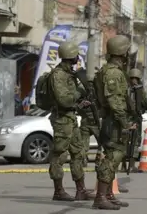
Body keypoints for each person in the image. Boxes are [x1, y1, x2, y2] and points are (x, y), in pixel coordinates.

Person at [47, 41, 96, 202]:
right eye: (76, 55)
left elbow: (72, 101)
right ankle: (58, 191)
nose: (77, 58)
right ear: (71, 56)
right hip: (62, 120)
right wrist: (78, 94)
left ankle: (80, 190)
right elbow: (64, 100)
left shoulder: (69, 74)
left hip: (71, 118)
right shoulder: (58, 75)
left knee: (78, 152)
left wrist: (81, 102)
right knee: (59, 155)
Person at [92, 35, 136, 210]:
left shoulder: (108, 70)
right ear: (122, 52)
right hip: (114, 121)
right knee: (112, 158)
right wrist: (125, 123)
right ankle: (100, 197)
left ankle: (108, 194)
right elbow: (115, 101)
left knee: (115, 157)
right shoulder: (113, 73)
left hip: (113, 119)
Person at [124, 68, 147, 173]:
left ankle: (123, 166)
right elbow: (146, 104)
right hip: (135, 119)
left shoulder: (124, 88)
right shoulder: (140, 90)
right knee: (135, 141)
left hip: (125, 118)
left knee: (124, 141)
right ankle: (132, 165)